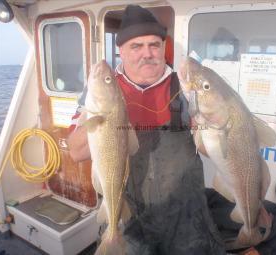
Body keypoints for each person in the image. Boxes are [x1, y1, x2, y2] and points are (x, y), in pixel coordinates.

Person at [68, 5, 226, 255]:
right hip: (129, 217)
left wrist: (211, 124)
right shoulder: (100, 91)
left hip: (185, 218)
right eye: (136, 46)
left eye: (154, 44)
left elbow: (209, 150)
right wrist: (100, 117)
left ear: (164, 47)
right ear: (121, 51)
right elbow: (76, 153)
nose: (147, 54)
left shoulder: (183, 87)